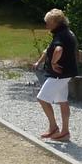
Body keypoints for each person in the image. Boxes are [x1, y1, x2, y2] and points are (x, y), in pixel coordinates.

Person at [33, 8, 78, 141]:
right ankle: (65, 132)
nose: (46, 25)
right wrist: (40, 61)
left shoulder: (60, 35)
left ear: (55, 22)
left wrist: (53, 63)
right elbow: (50, 49)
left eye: (48, 22)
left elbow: (58, 49)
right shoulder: (66, 32)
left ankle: (53, 127)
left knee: (42, 98)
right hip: (67, 73)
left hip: (59, 74)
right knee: (62, 101)